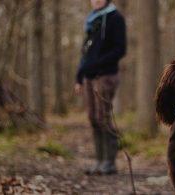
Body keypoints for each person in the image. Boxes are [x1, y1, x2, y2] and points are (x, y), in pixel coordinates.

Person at [74, 0, 126, 175]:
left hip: (106, 75)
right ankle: (99, 161)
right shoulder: (92, 20)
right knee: (92, 118)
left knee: (103, 117)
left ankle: (109, 162)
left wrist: (98, 63)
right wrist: (79, 77)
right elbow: (85, 52)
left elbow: (120, 49)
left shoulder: (115, 18)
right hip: (89, 77)